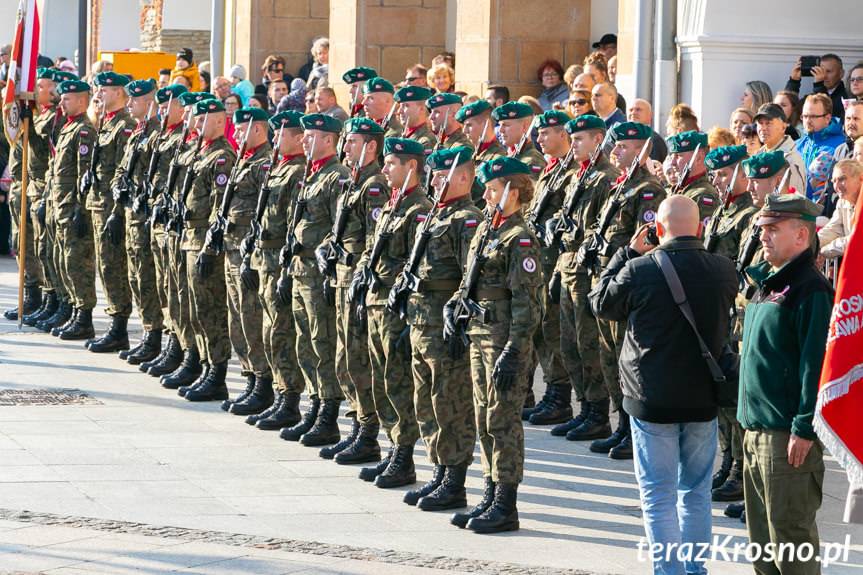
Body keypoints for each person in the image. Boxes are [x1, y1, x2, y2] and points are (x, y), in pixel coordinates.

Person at [589, 194, 737, 575]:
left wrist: (624, 254)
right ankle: (695, 570)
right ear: (700, 228)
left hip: (652, 397)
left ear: (656, 230)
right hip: (703, 395)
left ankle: (669, 571)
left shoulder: (640, 269)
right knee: (696, 493)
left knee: (658, 495)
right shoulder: (723, 269)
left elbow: (601, 303)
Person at [738, 192, 832, 575]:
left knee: (791, 546)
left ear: (802, 235)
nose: (763, 235)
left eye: (773, 229)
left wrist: (804, 427)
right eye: (762, 228)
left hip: (786, 439)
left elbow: (816, 367)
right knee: (763, 547)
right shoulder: (767, 282)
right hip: (754, 431)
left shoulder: (810, 290)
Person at [446, 156, 542, 534]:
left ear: (513, 192)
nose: (485, 195)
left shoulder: (520, 238)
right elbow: (468, 281)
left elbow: (528, 302)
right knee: (484, 418)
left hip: (503, 340)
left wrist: (515, 349)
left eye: (493, 189)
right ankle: (489, 493)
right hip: (479, 334)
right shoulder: (489, 229)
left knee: (502, 421)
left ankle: (506, 502)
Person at [387, 146, 482, 510]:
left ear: (463, 177)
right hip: (420, 320)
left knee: (449, 403)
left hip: (443, 324)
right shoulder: (435, 215)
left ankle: (454, 479)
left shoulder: (466, 219)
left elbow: (468, 278)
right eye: (435, 173)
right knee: (425, 401)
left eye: (444, 174)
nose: (436, 179)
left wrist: (459, 326)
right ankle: (439, 471)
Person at [350, 137, 431, 488]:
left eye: (391, 163)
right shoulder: (394, 205)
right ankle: (391, 448)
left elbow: (418, 264)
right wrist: (361, 275)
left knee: (398, 382)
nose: (384, 169)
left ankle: (404, 454)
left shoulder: (419, 210)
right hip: (376, 302)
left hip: (395, 307)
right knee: (383, 380)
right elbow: (372, 246)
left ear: (410, 166)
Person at [586, 121, 666, 460]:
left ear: (642, 150)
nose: (615, 151)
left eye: (623, 146)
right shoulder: (620, 186)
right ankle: (620, 425)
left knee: (626, 361)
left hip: (626, 284)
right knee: (609, 360)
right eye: (614, 146)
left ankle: (633, 430)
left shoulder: (648, 191)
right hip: (608, 278)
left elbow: (645, 241)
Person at [314, 117, 389, 463]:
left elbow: (375, 241)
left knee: (360, 359)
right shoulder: (354, 181)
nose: (345, 148)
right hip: (342, 278)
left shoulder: (375, 185)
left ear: (371, 146)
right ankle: (358, 426)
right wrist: (327, 248)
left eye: (353, 142)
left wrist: (359, 272)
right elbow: (339, 227)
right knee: (344, 357)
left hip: (358, 282)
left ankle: (369, 432)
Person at [547, 115, 620, 442]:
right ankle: (585, 408)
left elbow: (600, 226)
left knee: (590, 344)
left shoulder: (605, 178)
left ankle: (598, 412)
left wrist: (575, 232)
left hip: (587, 269)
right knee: (570, 343)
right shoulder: (580, 174)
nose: (573, 144)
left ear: (598, 139)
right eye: (572, 139)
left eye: (579, 139)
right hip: (568, 265)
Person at [280, 113, 351, 443]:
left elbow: (341, 228)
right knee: (305, 341)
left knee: (323, 343)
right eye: (304, 135)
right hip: (300, 268)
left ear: (328, 139)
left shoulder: (336, 177)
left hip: (317, 271)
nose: (304, 140)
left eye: (312, 136)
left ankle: (328, 413)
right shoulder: (314, 174)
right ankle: (314, 404)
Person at [242, 110, 306, 430]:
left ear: (299, 138)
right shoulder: (279, 168)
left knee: (281, 331)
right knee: (268, 329)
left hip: (279, 261)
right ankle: (274, 390)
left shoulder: (297, 172)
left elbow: (294, 224)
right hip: (264, 258)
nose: (275, 139)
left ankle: (289, 398)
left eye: (282, 134)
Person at [520, 110, 577, 427]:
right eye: (538, 133)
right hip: (541, 264)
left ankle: (560, 396)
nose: (539, 139)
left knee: (556, 333)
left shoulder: (570, 174)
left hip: (556, 263)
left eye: (545, 133)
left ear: (562, 135)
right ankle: (553, 395)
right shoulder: (550, 171)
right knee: (543, 331)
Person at [181, 99, 236, 405]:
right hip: (189, 235)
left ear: (218, 122)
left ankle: (216, 373)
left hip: (204, 240)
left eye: (203, 119)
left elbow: (220, 207)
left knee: (210, 309)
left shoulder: (221, 157)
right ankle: (203, 364)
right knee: (195, 309)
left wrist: (207, 248)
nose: (197, 123)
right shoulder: (200, 151)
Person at [106, 78, 163, 364]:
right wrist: (119, 190)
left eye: (135, 100)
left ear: (149, 102)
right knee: (135, 275)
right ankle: (146, 333)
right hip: (131, 214)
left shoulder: (155, 135)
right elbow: (121, 169)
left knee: (147, 277)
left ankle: (154, 337)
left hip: (145, 217)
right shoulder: (138, 133)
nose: (129, 105)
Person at [136, 84, 188, 378]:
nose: (163, 111)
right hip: (157, 219)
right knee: (160, 285)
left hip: (178, 228)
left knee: (177, 292)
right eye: (161, 105)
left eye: (169, 105)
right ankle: (164, 340)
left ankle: (181, 349)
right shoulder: (160, 135)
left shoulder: (181, 141)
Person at [85, 72, 137, 354]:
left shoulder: (124, 126)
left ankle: (119, 328)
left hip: (110, 207)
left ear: (118, 92)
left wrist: (117, 212)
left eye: (103, 91)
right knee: (106, 267)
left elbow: (122, 174)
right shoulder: (106, 123)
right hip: (98, 204)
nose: (99, 95)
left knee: (114, 267)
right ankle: (115, 324)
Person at [49, 79, 98, 340]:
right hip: (61, 205)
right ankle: (71, 309)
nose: (62, 102)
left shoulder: (83, 131)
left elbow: (85, 174)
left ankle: (84, 317)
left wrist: (81, 207)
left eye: (67, 98)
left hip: (73, 207)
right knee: (64, 260)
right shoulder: (68, 127)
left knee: (78, 262)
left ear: (81, 100)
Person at [22, 69, 67, 330]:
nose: (36, 90)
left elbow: (45, 155)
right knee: (34, 247)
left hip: (46, 190)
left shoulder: (56, 119)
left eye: (41, 86)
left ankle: (56, 301)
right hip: (33, 187)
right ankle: (42, 299)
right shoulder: (43, 116)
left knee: (51, 251)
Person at [796, 93, 845, 201]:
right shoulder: (798, 144)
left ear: (827, 118)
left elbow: (811, 187)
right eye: (805, 116)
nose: (807, 121)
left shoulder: (837, 146)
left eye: (813, 116)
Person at [665, 131, 721, 221]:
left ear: (698, 157)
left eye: (679, 156)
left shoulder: (704, 196)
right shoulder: (681, 188)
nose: (673, 163)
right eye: (672, 156)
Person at [755, 103, 807, 195]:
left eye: (768, 123)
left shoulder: (789, 160)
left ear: (783, 127)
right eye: (760, 123)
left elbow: (792, 203)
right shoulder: (759, 155)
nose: (763, 128)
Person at [818, 159, 861, 259]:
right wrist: (811, 245)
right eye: (834, 181)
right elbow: (833, 229)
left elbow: (857, 240)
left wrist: (824, 251)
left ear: (860, 178)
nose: (836, 186)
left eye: (842, 179)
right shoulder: (842, 202)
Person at [786, 54, 848, 119]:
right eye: (821, 70)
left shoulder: (848, 96)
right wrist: (794, 81)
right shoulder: (811, 96)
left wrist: (819, 85)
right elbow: (786, 110)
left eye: (828, 71)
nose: (824, 75)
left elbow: (828, 117)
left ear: (841, 73)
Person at [493, 101, 546, 177]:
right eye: (500, 125)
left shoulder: (532, 161)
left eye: (506, 125)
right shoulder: (511, 156)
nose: (501, 130)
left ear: (524, 127)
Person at [395, 86, 436, 151]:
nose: (399, 111)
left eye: (406, 106)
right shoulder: (400, 134)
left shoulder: (426, 141)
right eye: (400, 106)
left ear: (422, 109)